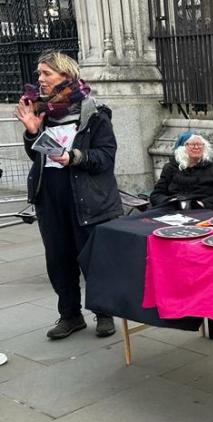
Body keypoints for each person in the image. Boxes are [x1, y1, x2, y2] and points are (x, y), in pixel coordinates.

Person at [15, 51, 121, 339]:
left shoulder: (94, 113)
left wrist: (73, 157)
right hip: (50, 199)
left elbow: (105, 157)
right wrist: (32, 133)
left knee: (94, 260)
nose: (40, 79)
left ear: (66, 76)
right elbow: (38, 155)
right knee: (59, 260)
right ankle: (70, 315)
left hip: (87, 199)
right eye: (39, 74)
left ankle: (104, 313)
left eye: (46, 74)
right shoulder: (43, 112)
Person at [150, 134, 213, 210]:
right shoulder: (170, 168)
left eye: (200, 144)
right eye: (192, 144)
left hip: (203, 209)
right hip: (173, 209)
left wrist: (203, 203)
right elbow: (156, 195)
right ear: (182, 148)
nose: (196, 147)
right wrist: (171, 201)